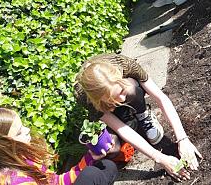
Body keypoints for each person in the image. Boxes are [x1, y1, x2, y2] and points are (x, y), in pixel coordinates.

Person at [74, 53, 202, 182]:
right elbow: (120, 128)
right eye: (112, 99)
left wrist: (182, 139)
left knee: (132, 89)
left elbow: (160, 98)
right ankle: (127, 116)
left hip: (128, 87)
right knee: (113, 150)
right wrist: (159, 158)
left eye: (121, 92)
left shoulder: (124, 64)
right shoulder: (85, 97)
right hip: (106, 107)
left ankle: (142, 114)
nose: (122, 99)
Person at [0, 107, 118, 185]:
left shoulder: (24, 159)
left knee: (107, 166)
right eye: (19, 132)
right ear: (4, 146)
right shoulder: (16, 182)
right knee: (92, 174)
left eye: (23, 126)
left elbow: (56, 182)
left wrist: (90, 158)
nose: (27, 130)